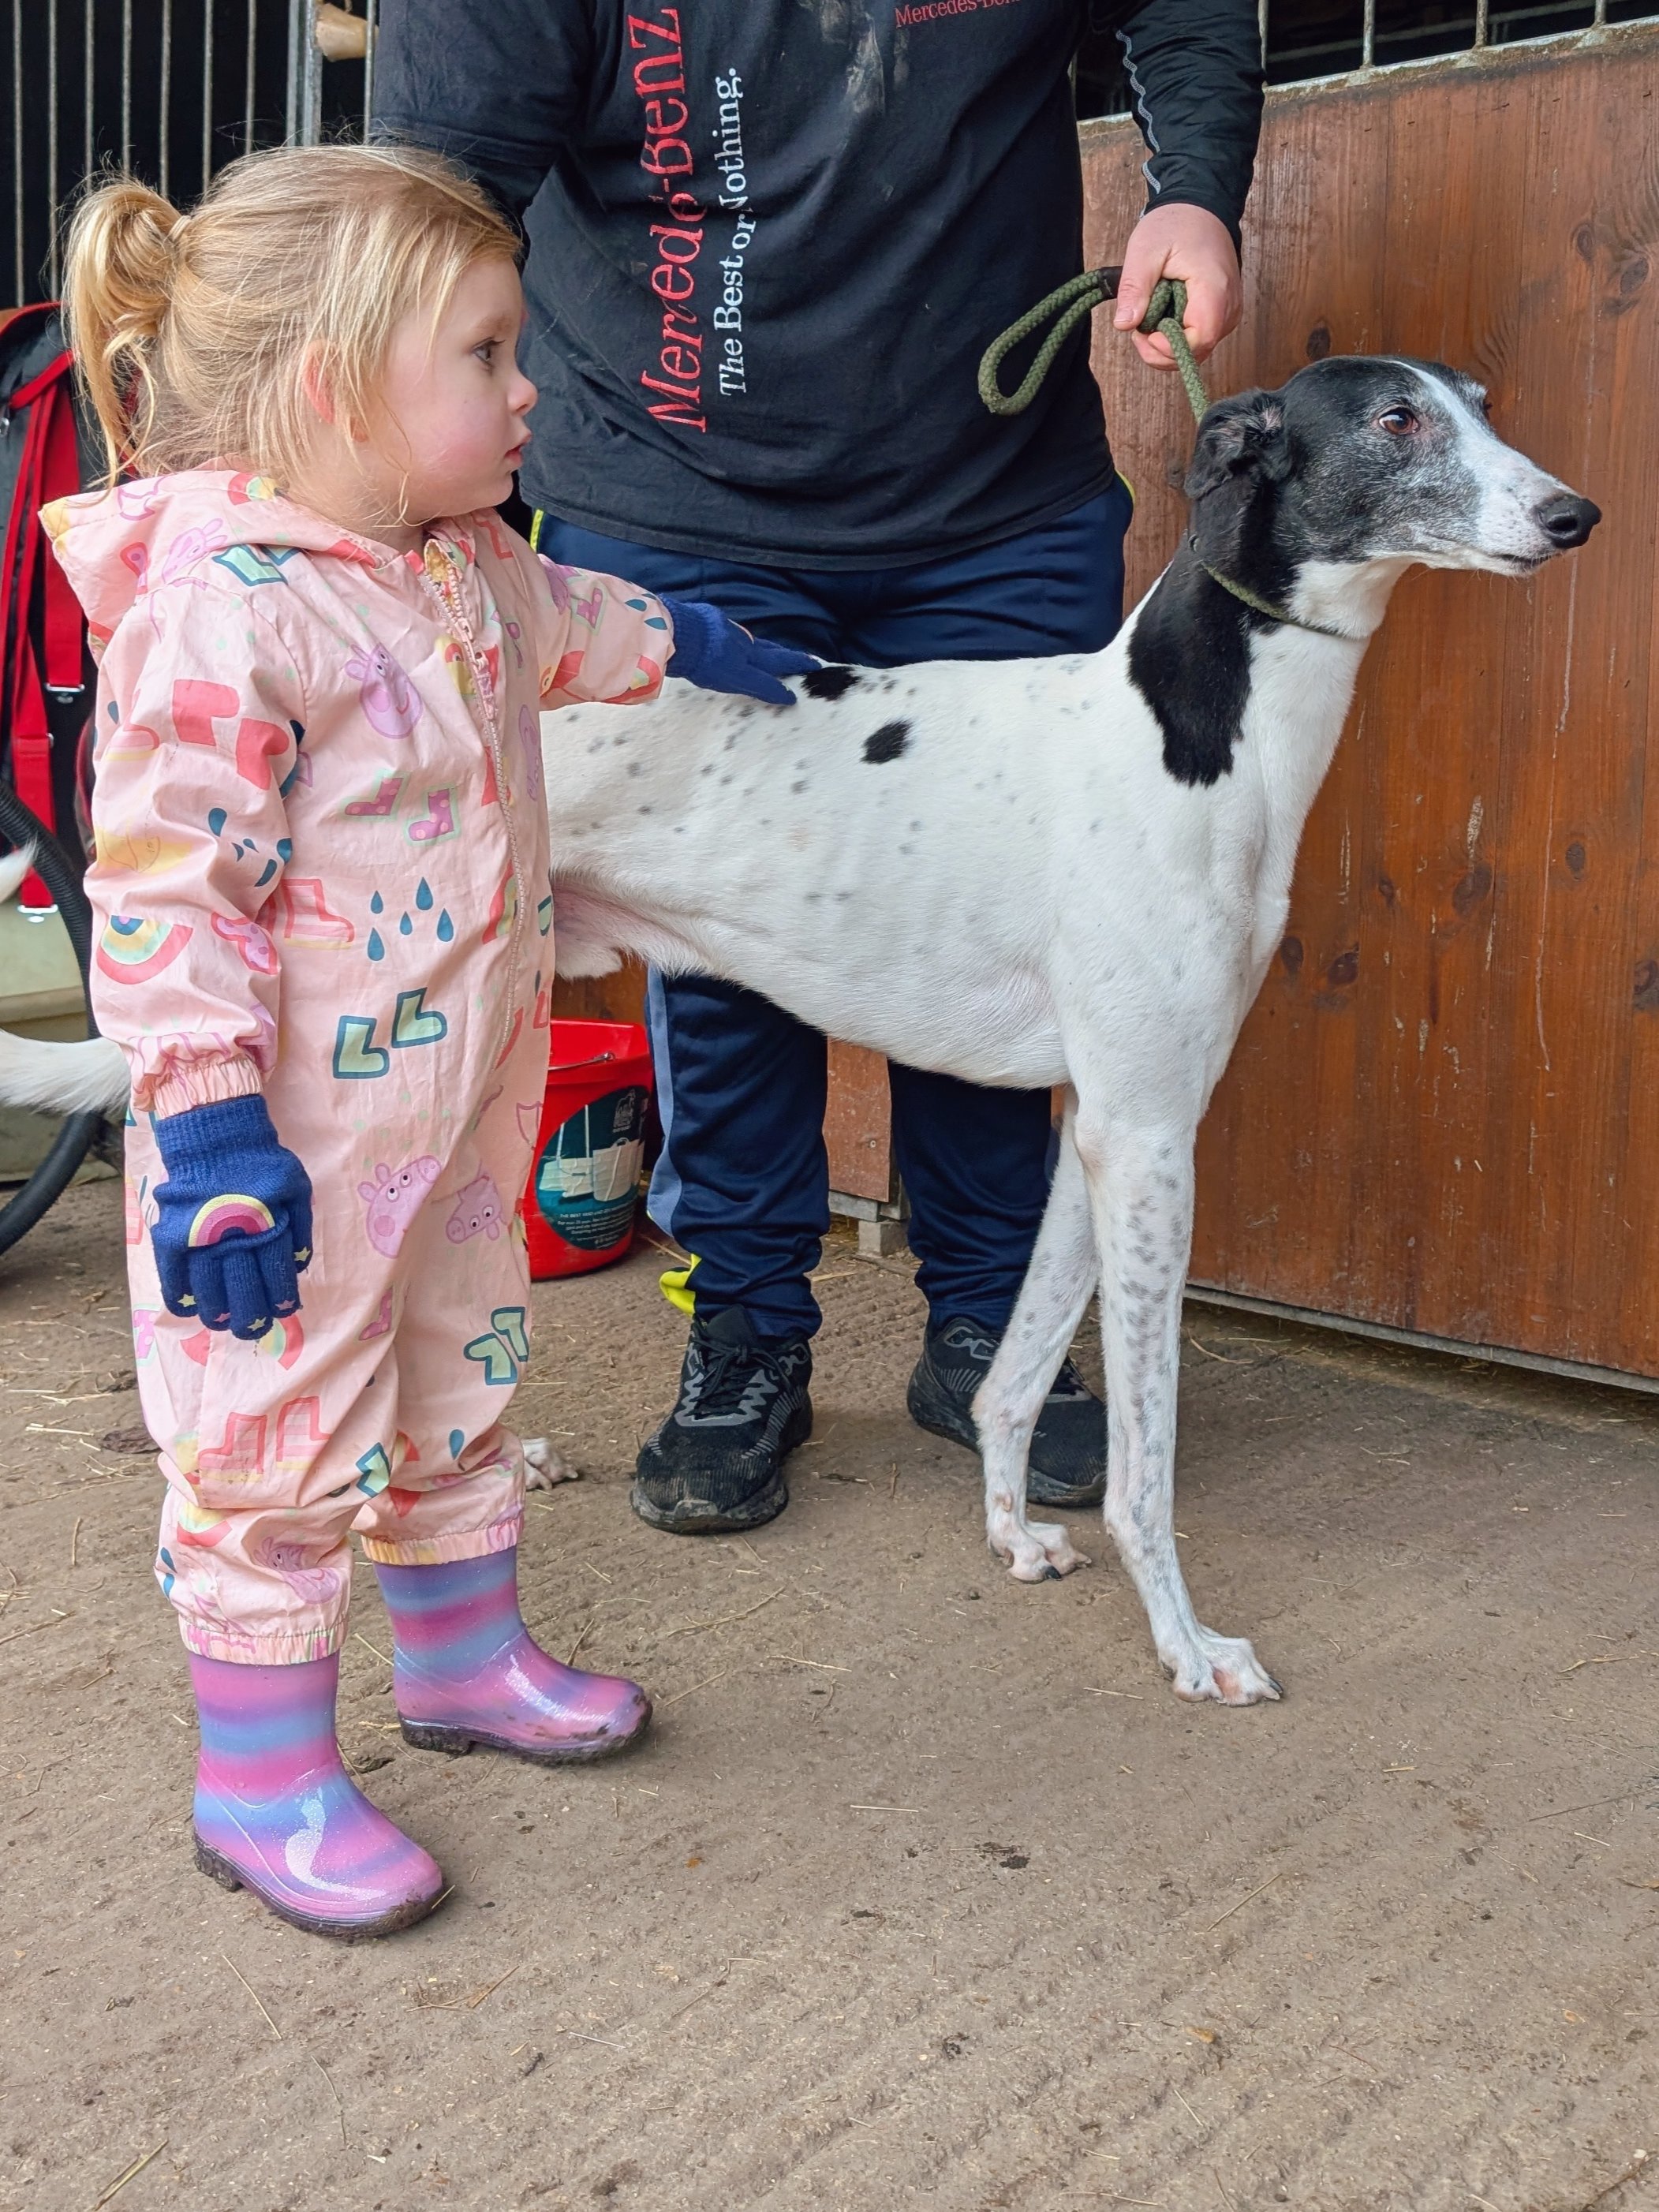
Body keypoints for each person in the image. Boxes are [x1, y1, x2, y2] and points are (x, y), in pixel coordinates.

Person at [376, 0, 1265, 1536]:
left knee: (1003, 903)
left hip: (987, 488)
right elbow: (423, 209)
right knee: (722, 939)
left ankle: (989, 1320)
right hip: (671, 485)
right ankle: (745, 1333)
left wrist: (1191, 182)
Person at [53, 144, 813, 1938]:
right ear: (336, 391)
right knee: (276, 1430)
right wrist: (212, 1125)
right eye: (484, 353)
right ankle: (258, 1779)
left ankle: (463, 1661)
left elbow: (569, 630)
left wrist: (696, 640)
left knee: (461, 1366)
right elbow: (166, 891)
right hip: (284, 1146)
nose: (527, 383)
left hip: (461, 1096)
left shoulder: (460, 562)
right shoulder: (229, 609)